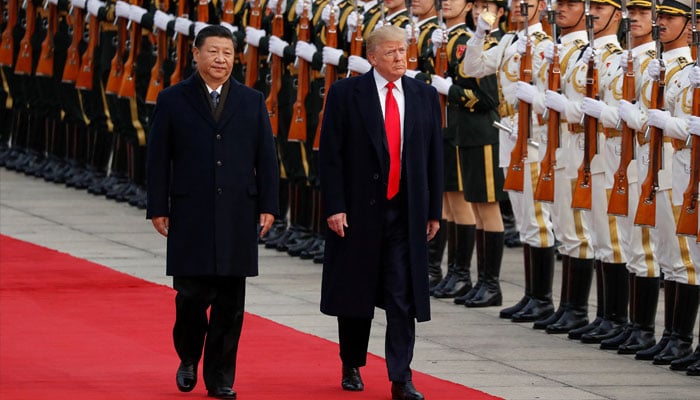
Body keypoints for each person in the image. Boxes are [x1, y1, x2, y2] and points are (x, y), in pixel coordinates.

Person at [146, 25, 279, 399]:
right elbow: (158, 159)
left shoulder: (251, 100)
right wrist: (158, 206)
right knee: (190, 298)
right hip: (191, 212)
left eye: (228, 54)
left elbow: (266, 159)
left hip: (239, 212)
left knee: (230, 304)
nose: (221, 60)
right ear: (196, 54)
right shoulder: (173, 99)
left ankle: (220, 377)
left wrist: (269, 205)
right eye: (214, 52)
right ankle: (188, 356)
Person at [318, 25, 442, 400]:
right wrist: (335, 206)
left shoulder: (423, 95)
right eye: (390, 53)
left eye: (403, 51)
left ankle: (401, 376)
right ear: (371, 57)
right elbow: (331, 155)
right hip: (358, 212)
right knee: (356, 292)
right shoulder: (345, 93)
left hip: (404, 212)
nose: (399, 58)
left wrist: (432, 209)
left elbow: (434, 156)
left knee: (402, 295)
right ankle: (351, 360)